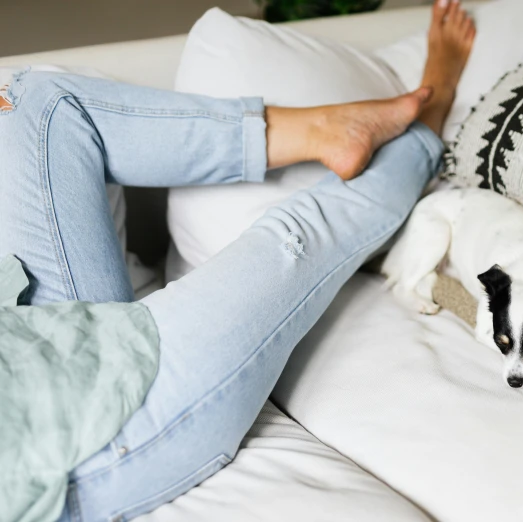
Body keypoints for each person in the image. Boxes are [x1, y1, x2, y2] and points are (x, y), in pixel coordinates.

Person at [0, 1, 475, 520]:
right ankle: (432, 112)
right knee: (296, 238)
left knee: (34, 105)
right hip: (68, 443)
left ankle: (324, 130)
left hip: (25, 337)